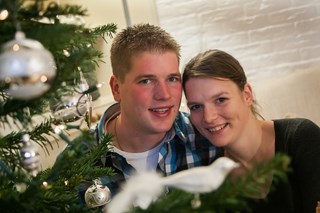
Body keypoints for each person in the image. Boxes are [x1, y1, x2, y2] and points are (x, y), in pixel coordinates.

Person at [82, 24, 220, 201]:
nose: (164, 95)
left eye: (172, 79)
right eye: (146, 81)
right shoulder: (75, 163)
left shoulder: (206, 137)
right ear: (116, 89)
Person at [182, 49, 320, 213]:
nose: (209, 117)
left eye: (221, 100)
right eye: (196, 107)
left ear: (247, 95)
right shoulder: (214, 184)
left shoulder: (301, 138)